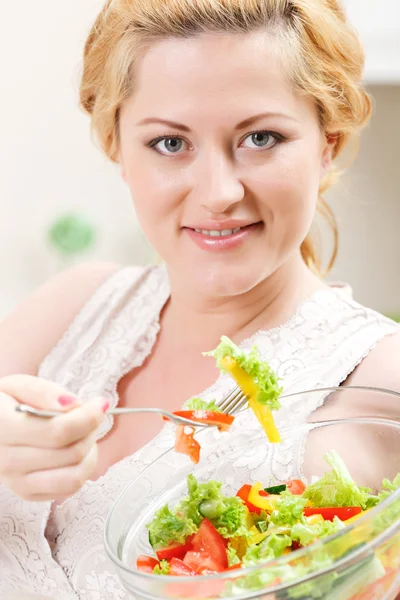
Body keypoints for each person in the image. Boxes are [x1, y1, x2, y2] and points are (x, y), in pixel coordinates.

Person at [0, 0, 399, 597]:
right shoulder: (72, 307)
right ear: (117, 148)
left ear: (327, 144)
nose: (218, 192)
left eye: (261, 138)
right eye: (169, 143)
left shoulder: (376, 385)